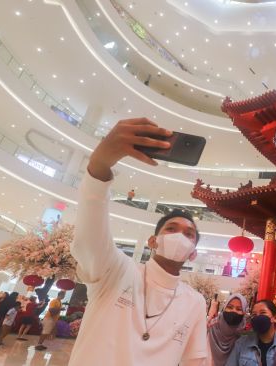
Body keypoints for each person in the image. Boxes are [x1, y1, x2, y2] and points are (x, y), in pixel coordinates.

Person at [68, 118, 208, 366]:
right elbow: (88, 241)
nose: (180, 236)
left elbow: (195, 361)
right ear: (153, 241)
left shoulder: (195, 301)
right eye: (171, 229)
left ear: (193, 253)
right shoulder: (116, 271)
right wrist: (100, 165)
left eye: (189, 234)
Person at [225, 299, 276, 366]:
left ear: (275, 318)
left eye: (263, 312)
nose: (258, 317)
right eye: (254, 315)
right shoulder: (242, 343)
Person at [208, 294, 248, 366]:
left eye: (239, 309)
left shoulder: (245, 335)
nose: (233, 311)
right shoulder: (210, 327)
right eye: (229, 307)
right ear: (224, 308)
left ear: (244, 312)